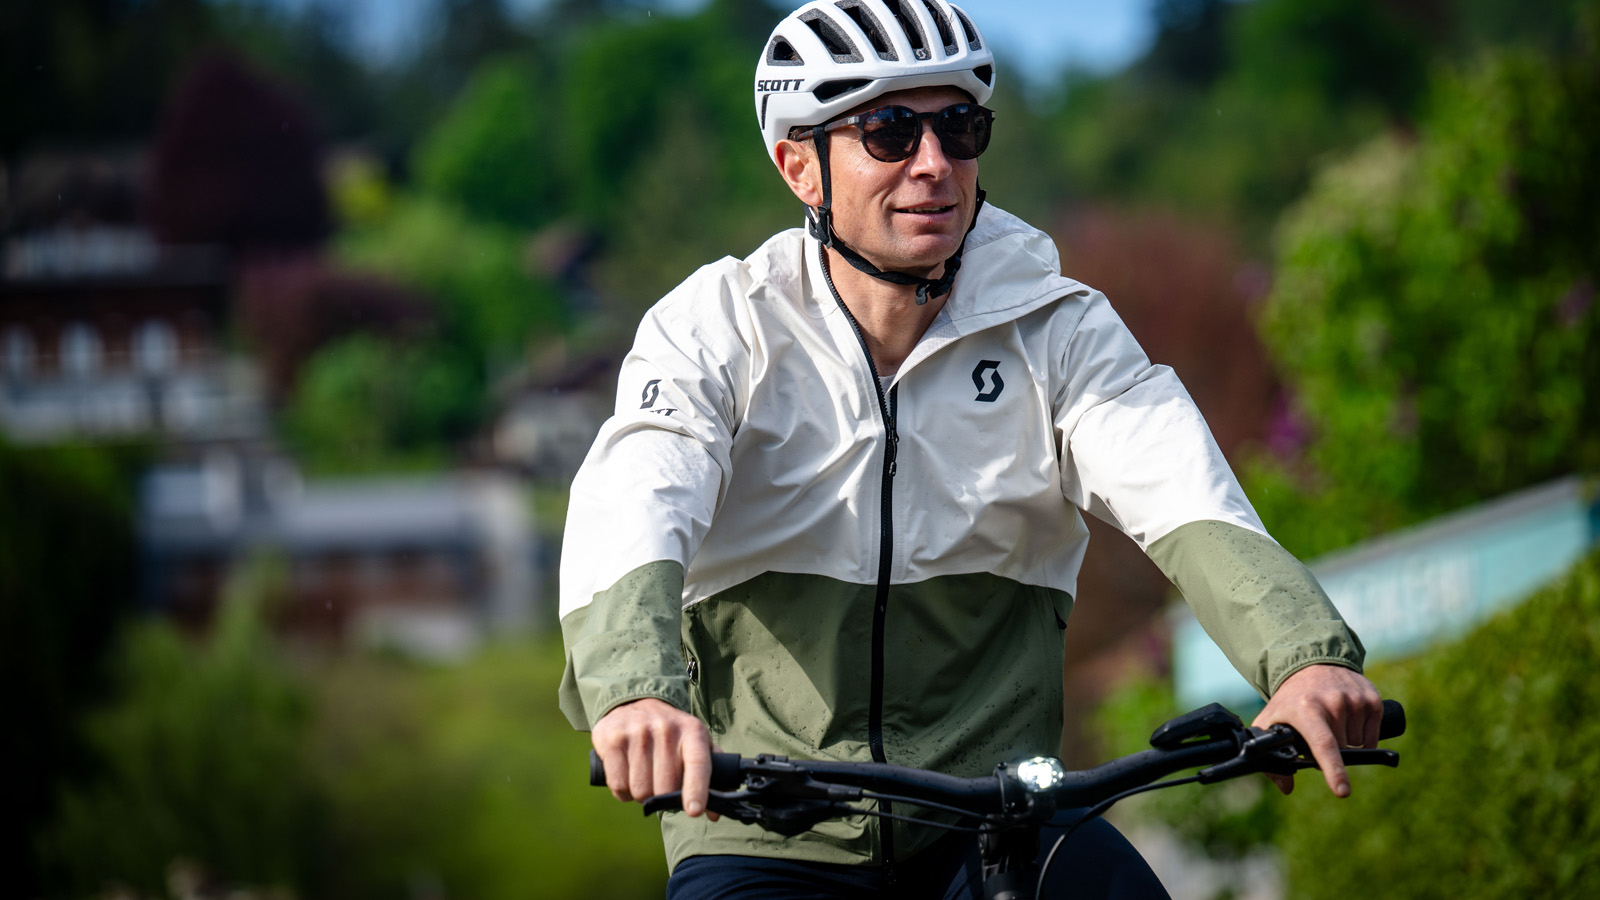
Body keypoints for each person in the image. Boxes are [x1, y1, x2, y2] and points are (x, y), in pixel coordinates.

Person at [558, 1, 1382, 896]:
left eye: (959, 127)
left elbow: (1184, 492)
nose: (934, 165)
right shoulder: (717, 327)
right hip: (766, 827)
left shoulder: (1059, 328)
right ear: (801, 166)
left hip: (998, 818)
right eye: (887, 131)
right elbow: (639, 493)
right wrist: (636, 690)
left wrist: (1304, 656)